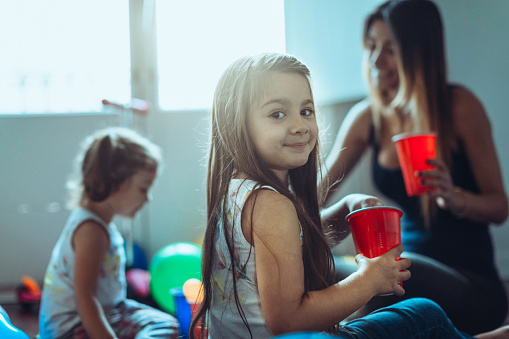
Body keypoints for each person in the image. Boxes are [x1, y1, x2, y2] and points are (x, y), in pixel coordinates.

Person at [188, 52, 509, 339]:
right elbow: (287, 320)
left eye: (306, 110)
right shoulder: (272, 205)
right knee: (424, 314)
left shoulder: (236, 191)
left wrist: (343, 211)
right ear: (236, 126)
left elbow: (285, 249)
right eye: (277, 114)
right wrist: (368, 280)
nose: (300, 125)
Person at [321, 0, 508, 335]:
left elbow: (500, 206)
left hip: (470, 285)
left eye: (391, 49)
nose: (377, 60)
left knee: (389, 273)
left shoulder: (459, 107)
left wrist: (456, 198)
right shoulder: (369, 118)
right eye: (372, 46)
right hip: (405, 270)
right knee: (326, 269)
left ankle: (344, 333)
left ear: (420, 52)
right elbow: (320, 188)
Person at [39, 127, 179, 338]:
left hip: (108, 310)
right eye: (143, 189)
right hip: (72, 326)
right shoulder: (91, 231)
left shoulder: (100, 223)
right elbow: (85, 298)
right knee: (163, 329)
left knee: (166, 324)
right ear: (114, 182)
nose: (147, 198)